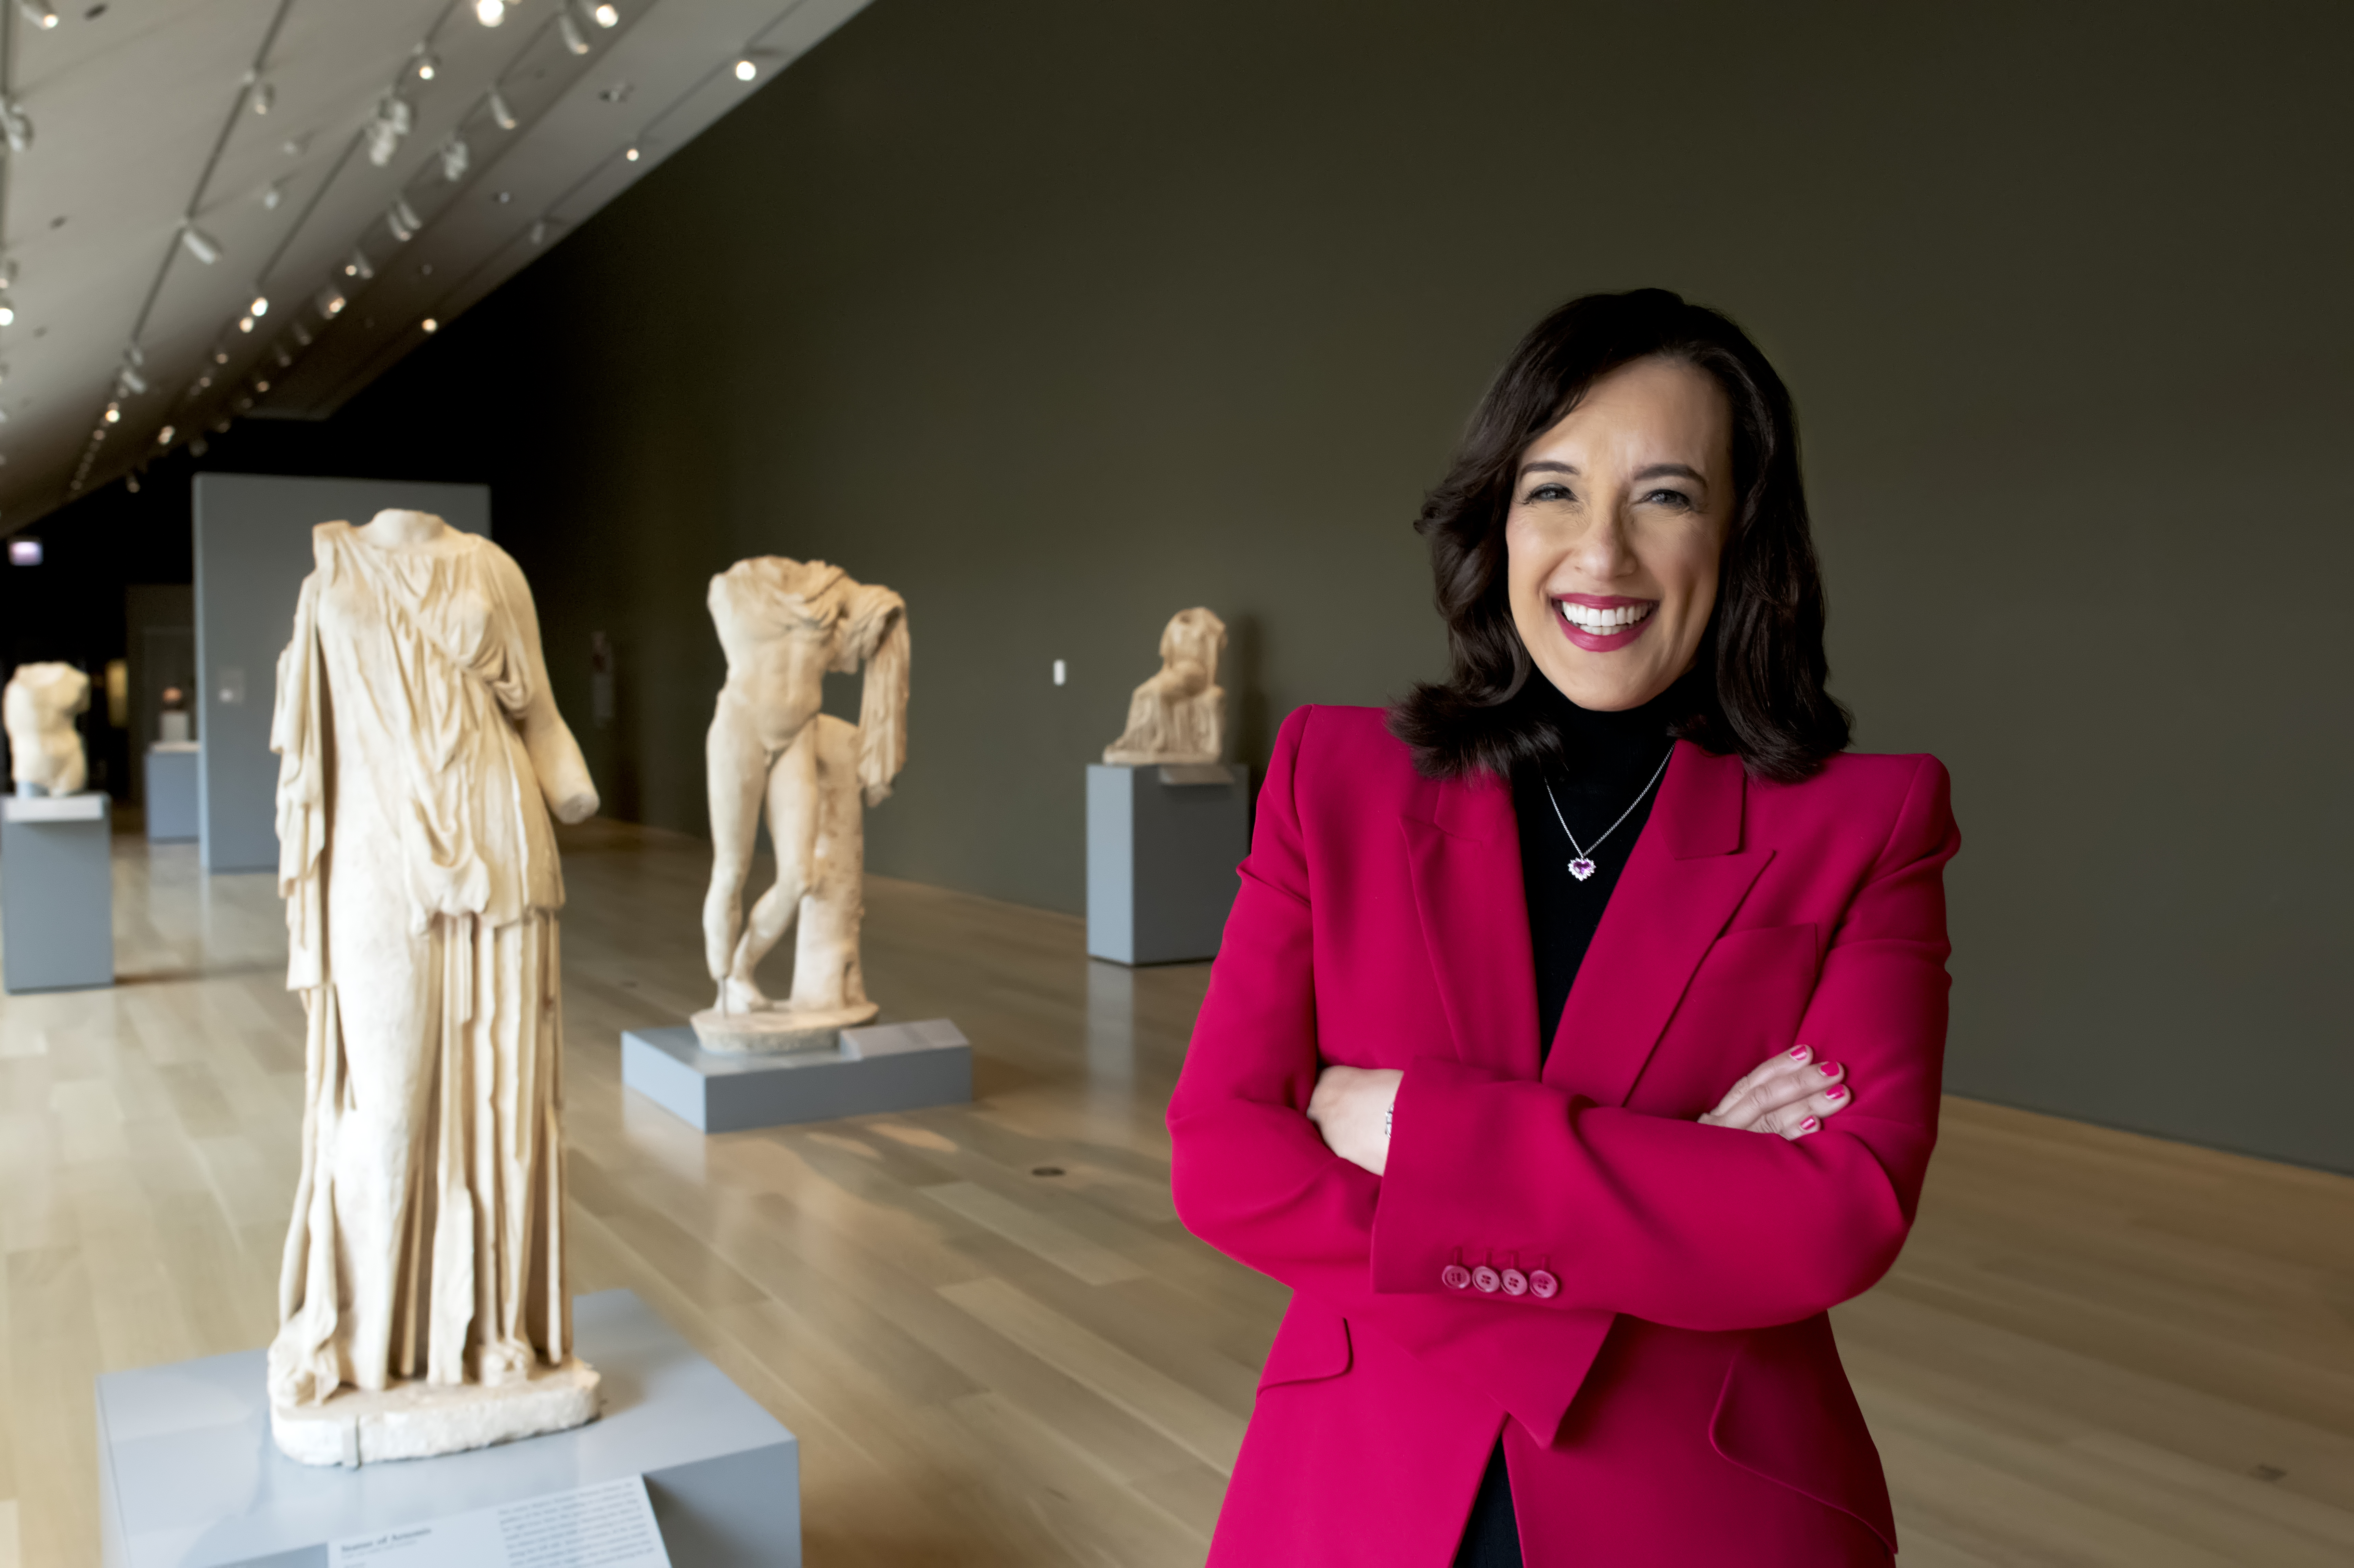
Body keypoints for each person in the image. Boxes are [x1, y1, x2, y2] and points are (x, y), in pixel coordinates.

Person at [1168, 289, 1959, 1566]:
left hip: (1703, 1504)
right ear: (1498, 517)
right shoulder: (1334, 779)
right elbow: (1222, 1160)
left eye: (1665, 495)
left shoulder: (1871, 823)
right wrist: (1680, 1174)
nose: (1602, 556)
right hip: (1358, 1479)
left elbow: (1839, 1214)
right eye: (1553, 491)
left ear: (1743, 533)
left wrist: (1412, 1131)